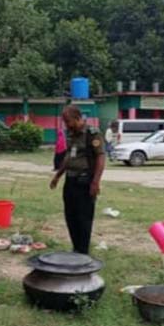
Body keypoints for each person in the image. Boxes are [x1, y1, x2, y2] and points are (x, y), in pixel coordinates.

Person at [50, 105, 106, 254]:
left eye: (68, 121)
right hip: (70, 181)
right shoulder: (71, 134)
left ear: (78, 118)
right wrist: (58, 175)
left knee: (83, 218)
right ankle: (76, 248)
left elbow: (100, 156)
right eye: (65, 122)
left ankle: (83, 251)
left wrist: (95, 181)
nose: (67, 125)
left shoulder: (92, 134)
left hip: (85, 181)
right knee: (70, 216)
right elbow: (68, 157)